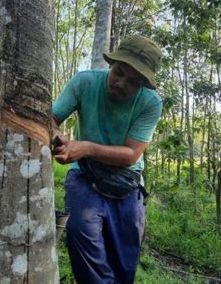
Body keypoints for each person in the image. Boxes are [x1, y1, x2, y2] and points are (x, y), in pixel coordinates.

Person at [52, 35, 163, 284]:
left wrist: (87, 147)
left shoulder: (150, 103)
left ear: (144, 83)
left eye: (133, 81)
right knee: (82, 229)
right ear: (112, 64)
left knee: (124, 255)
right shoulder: (85, 82)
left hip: (127, 179)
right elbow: (51, 118)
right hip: (84, 173)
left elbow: (131, 154)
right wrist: (56, 135)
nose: (121, 83)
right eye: (119, 72)